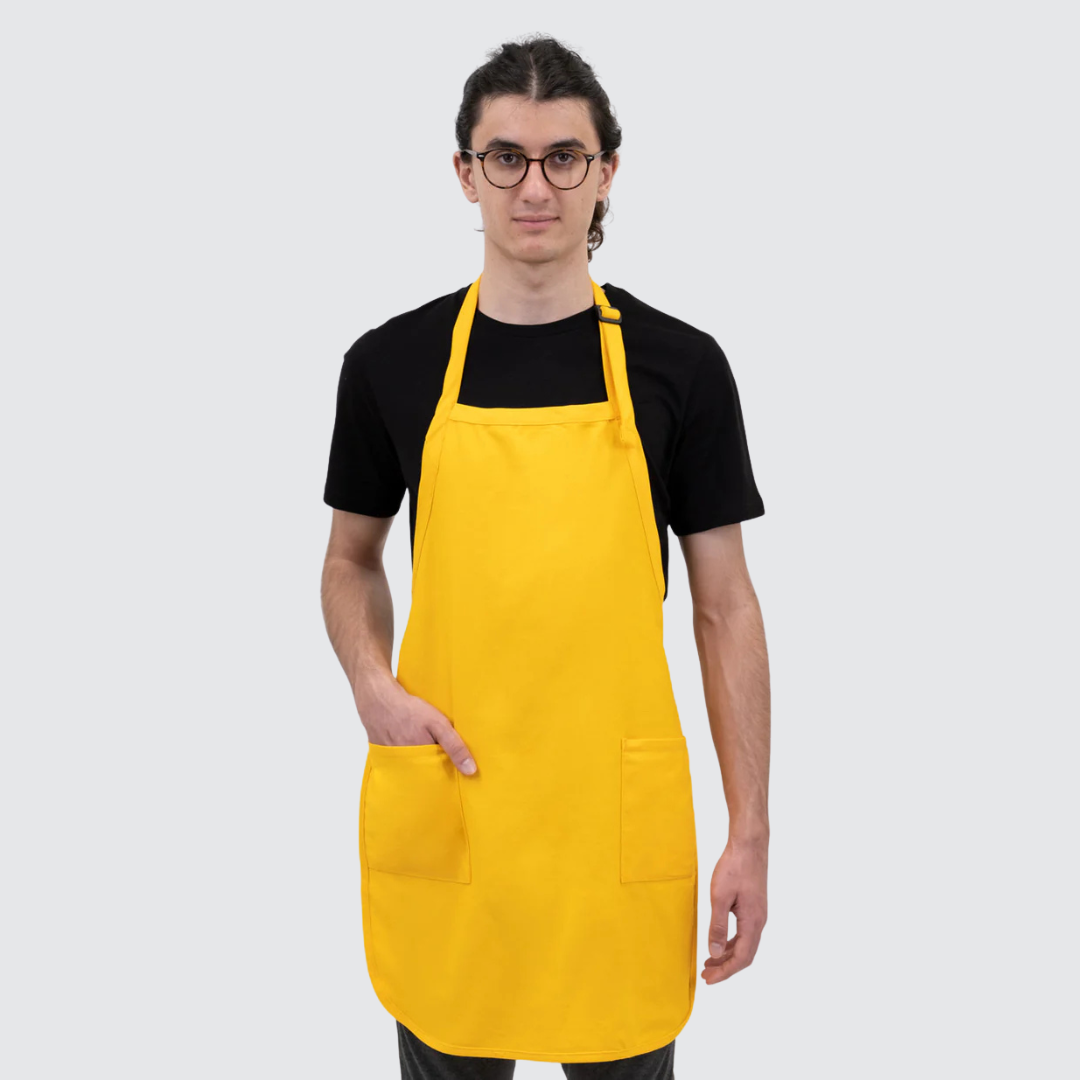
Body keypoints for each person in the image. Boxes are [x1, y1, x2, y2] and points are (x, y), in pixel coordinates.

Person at [321, 35, 771, 1080]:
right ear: (465, 173)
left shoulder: (683, 368)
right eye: (506, 156)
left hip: (610, 832)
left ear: (606, 171)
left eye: (564, 156)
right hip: (456, 807)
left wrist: (749, 831)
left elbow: (728, 608)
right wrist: (372, 684)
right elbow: (349, 561)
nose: (535, 185)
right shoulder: (389, 365)